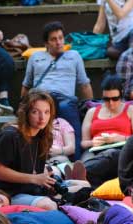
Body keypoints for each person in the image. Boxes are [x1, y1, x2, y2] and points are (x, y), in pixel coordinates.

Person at [22, 21, 94, 159]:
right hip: (41, 97)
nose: (59, 42)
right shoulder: (35, 57)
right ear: (46, 43)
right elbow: (26, 85)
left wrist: (90, 107)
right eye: (54, 39)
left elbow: (84, 85)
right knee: (38, 108)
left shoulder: (74, 56)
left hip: (65, 99)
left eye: (61, 38)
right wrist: (22, 105)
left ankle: (76, 161)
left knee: (66, 107)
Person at [0, 91, 58, 211]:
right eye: (35, 112)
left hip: (34, 190)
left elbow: (33, 169)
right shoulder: (10, 136)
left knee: (82, 186)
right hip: (10, 193)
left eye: (46, 112)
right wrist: (34, 178)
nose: (42, 118)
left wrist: (46, 179)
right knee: (48, 205)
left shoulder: (45, 136)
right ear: (25, 113)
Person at [80, 74, 133, 186]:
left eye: (115, 99)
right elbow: (83, 142)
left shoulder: (130, 110)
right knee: (85, 162)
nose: (111, 103)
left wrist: (121, 138)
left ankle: (79, 172)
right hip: (95, 149)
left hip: (121, 148)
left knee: (110, 153)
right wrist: (93, 142)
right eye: (106, 99)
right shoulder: (92, 112)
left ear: (121, 95)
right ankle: (81, 178)